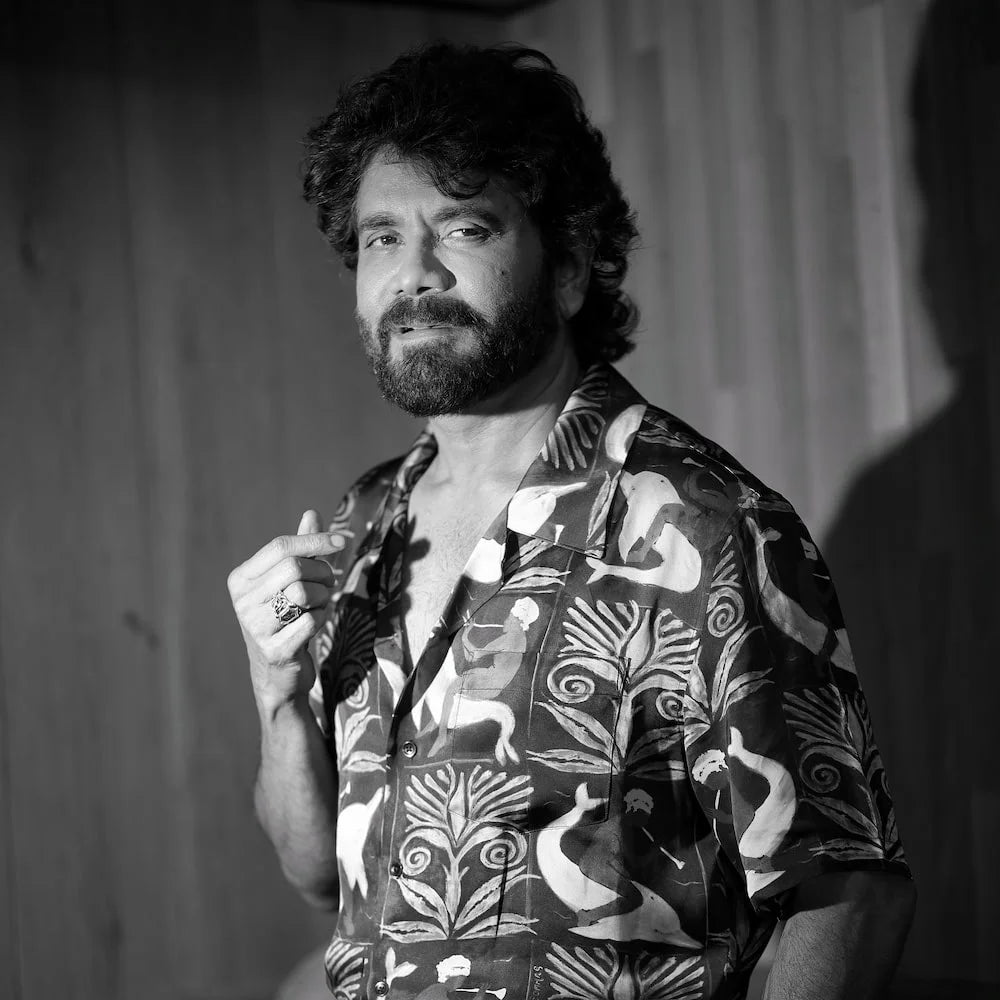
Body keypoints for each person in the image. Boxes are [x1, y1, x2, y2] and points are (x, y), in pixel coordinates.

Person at [227, 42, 915, 1000]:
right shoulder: (364, 524)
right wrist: (277, 695)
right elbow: (318, 877)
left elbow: (847, 892)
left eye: (463, 228)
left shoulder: (709, 527)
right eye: (381, 237)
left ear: (570, 268)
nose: (412, 273)